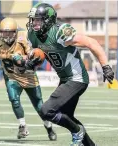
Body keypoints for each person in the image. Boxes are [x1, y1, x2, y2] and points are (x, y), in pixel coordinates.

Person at [26, 3, 114, 146]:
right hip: (65, 79)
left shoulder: (61, 32)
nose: (34, 24)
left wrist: (105, 66)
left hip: (76, 78)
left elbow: (92, 43)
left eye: (38, 20)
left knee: (46, 110)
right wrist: (30, 63)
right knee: (67, 116)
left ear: (48, 20)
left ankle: (77, 132)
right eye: (33, 20)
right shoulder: (33, 35)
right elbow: (39, 57)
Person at [0, 17, 57, 140]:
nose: (7, 35)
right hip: (11, 75)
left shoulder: (23, 38)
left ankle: (49, 128)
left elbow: (35, 56)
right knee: (14, 99)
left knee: (39, 106)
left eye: (10, 32)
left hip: (28, 76)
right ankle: (22, 126)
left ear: (16, 32)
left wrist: (23, 59)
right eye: (4, 32)